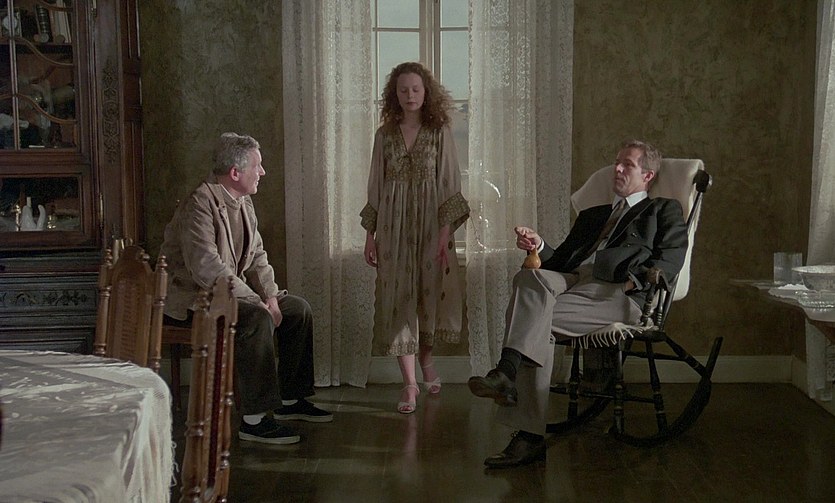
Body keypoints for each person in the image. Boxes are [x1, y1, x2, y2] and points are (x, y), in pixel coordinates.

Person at [468, 140, 688, 468]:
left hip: (616, 291)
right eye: (617, 161)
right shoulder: (593, 215)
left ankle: (520, 414)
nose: (617, 168)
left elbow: (671, 259)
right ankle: (508, 377)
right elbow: (560, 261)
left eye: (627, 164)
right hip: (573, 280)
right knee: (529, 279)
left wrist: (638, 282)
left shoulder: (661, 210)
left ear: (648, 175)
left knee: (533, 321)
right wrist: (539, 244)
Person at [160, 132, 332, 445]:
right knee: (256, 318)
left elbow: (258, 257)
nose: (262, 172)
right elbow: (207, 269)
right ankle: (254, 421)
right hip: (193, 300)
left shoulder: (243, 201)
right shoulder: (198, 204)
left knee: (297, 310)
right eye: (257, 166)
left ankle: (291, 399)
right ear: (235, 172)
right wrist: (257, 302)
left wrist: (271, 297)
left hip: (229, 293)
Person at [360, 62, 470, 414]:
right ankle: (409, 383)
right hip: (393, 227)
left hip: (431, 226)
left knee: (428, 297)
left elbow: (449, 181)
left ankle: (426, 361)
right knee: (399, 299)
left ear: (426, 93)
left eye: (416, 89)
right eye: (403, 89)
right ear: (395, 94)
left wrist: (444, 232)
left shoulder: (439, 132)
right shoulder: (384, 135)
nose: (410, 95)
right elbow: (376, 185)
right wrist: (370, 235)